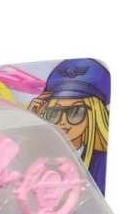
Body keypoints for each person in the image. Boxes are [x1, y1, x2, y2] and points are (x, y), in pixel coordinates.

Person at [28, 58, 110, 194]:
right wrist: (31, 120)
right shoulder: (43, 156)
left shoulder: (101, 163)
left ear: (94, 115)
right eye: (55, 112)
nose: (62, 121)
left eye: (75, 112)